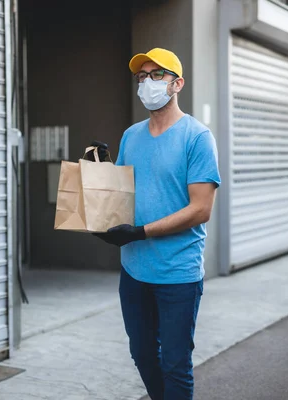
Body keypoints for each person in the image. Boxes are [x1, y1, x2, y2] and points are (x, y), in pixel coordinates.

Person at [94, 48, 221, 400]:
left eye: (155, 75)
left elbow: (200, 209)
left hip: (178, 272)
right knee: (143, 355)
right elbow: (121, 195)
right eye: (141, 77)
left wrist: (141, 231)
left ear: (177, 83)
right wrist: (98, 168)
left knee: (175, 363)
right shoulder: (131, 135)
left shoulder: (197, 137)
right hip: (134, 270)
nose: (146, 83)